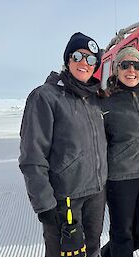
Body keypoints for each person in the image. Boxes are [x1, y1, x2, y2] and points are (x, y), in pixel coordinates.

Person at [19, 32, 107, 257]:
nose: (83, 63)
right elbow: (32, 156)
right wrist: (44, 205)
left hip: (95, 195)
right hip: (65, 200)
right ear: (68, 59)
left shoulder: (94, 98)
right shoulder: (45, 97)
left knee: (93, 250)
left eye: (90, 59)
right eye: (78, 55)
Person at [100, 47, 139, 257]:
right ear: (116, 69)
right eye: (125, 65)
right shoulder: (104, 99)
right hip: (120, 178)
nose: (131, 70)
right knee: (121, 233)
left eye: (136, 65)